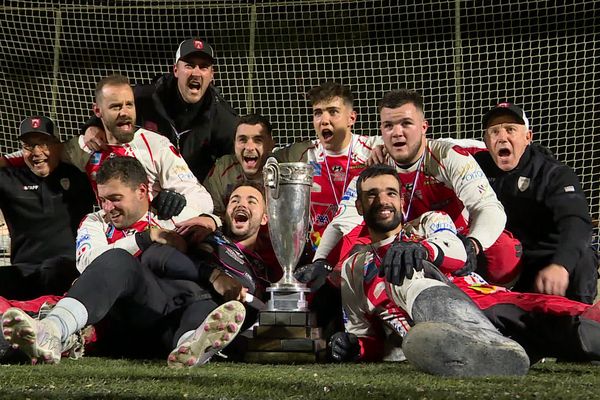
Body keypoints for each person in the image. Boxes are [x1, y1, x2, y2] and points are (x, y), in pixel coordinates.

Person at [331, 164, 600, 375]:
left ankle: (486, 343)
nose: (383, 200)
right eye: (371, 195)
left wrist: (423, 250)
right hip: (445, 339)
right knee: (398, 271)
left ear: (402, 200)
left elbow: (458, 252)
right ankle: (483, 347)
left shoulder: (428, 223)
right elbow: (368, 337)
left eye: (390, 192)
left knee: (585, 327)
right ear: (359, 206)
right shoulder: (355, 269)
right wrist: (357, 347)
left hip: (494, 306)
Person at [1, 156, 245, 366]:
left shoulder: (172, 216)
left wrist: (212, 221)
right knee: (117, 259)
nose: (108, 208)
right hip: (117, 318)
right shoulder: (95, 222)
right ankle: (53, 331)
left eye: (115, 198)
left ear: (142, 191)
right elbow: (89, 263)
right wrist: (144, 239)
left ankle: (190, 346)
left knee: (198, 297)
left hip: (167, 314)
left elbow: (213, 219)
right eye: (103, 199)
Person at [300, 89, 521, 289]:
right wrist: (321, 261)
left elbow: (488, 206)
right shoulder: (376, 166)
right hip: (402, 240)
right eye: (389, 126)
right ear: (381, 131)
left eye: (406, 123)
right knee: (346, 256)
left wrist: (473, 244)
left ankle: (499, 296)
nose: (397, 133)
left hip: (454, 237)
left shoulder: (447, 156)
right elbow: (343, 221)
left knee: (504, 249)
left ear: (424, 127)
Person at [473, 102, 598, 303]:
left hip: (550, 259)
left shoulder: (553, 173)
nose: (502, 137)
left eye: (510, 130)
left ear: (528, 137)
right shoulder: (474, 169)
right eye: (494, 131)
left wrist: (561, 265)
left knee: (582, 257)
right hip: (508, 261)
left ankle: (580, 321)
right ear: (486, 141)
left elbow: (576, 222)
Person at [82, 38, 238, 182]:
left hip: (192, 191)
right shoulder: (148, 97)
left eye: (203, 67)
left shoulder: (222, 117)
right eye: (189, 65)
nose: (196, 73)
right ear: (176, 70)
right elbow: (112, 103)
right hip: (145, 185)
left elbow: (236, 160)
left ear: (212, 75)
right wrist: (93, 125)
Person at [274, 81, 383, 252]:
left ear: (351, 118)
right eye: (318, 113)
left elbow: (414, 146)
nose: (324, 120)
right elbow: (264, 156)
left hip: (365, 248)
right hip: (317, 250)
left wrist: (389, 150)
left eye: (333, 112)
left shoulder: (372, 148)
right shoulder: (302, 154)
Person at [0, 116, 95, 299]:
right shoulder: (8, 179)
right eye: (29, 145)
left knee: (53, 269)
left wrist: (94, 126)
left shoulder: (80, 177)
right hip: (24, 272)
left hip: (69, 270)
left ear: (59, 145)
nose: (36, 152)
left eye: (44, 143)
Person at [203, 114, 275, 218]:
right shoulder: (222, 169)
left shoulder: (282, 172)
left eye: (258, 140)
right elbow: (210, 214)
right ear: (234, 144)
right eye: (243, 140)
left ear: (271, 144)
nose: (249, 147)